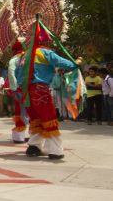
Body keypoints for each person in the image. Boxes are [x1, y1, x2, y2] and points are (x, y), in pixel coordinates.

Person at [21, 29, 81, 160]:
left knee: (36, 119)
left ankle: (33, 147)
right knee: (49, 118)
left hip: (26, 92)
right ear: (46, 42)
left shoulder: (25, 55)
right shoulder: (45, 53)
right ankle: (55, 150)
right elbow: (63, 63)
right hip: (40, 90)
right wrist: (75, 64)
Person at [7, 40, 29, 144]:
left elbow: (11, 74)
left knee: (20, 111)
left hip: (19, 88)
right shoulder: (28, 57)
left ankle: (19, 136)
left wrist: (14, 88)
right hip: (28, 88)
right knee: (28, 111)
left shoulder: (13, 60)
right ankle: (26, 136)